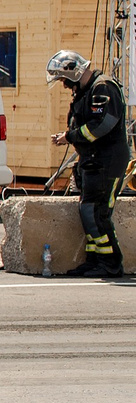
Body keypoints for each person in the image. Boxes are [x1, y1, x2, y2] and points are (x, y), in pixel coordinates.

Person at [49, 50, 127, 278]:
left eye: (63, 79)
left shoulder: (103, 88)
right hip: (91, 160)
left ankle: (111, 263)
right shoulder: (86, 91)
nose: (63, 85)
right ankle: (95, 260)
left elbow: (102, 125)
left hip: (106, 162)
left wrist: (70, 136)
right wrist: (70, 136)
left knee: (95, 213)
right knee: (88, 212)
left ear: (73, 72)